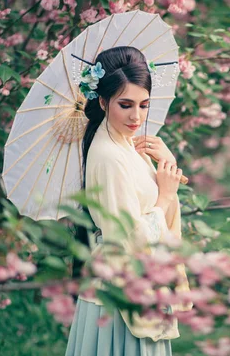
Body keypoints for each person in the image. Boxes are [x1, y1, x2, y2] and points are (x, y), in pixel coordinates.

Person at [65, 45, 190, 356]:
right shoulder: (108, 156)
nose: (137, 116)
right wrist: (164, 197)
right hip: (118, 297)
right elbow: (128, 237)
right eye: (126, 104)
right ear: (104, 101)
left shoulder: (128, 147)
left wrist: (167, 163)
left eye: (144, 105)